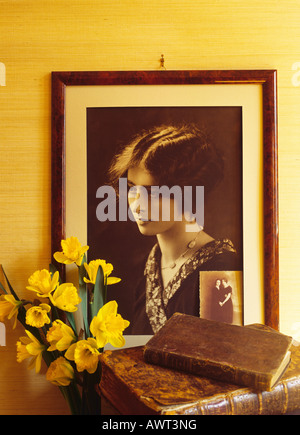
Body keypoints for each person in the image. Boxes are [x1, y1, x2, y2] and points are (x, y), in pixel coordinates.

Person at [108, 124, 240, 334]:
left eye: (153, 193)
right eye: (132, 188)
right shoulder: (150, 264)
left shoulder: (221, 272)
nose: (137, 205)